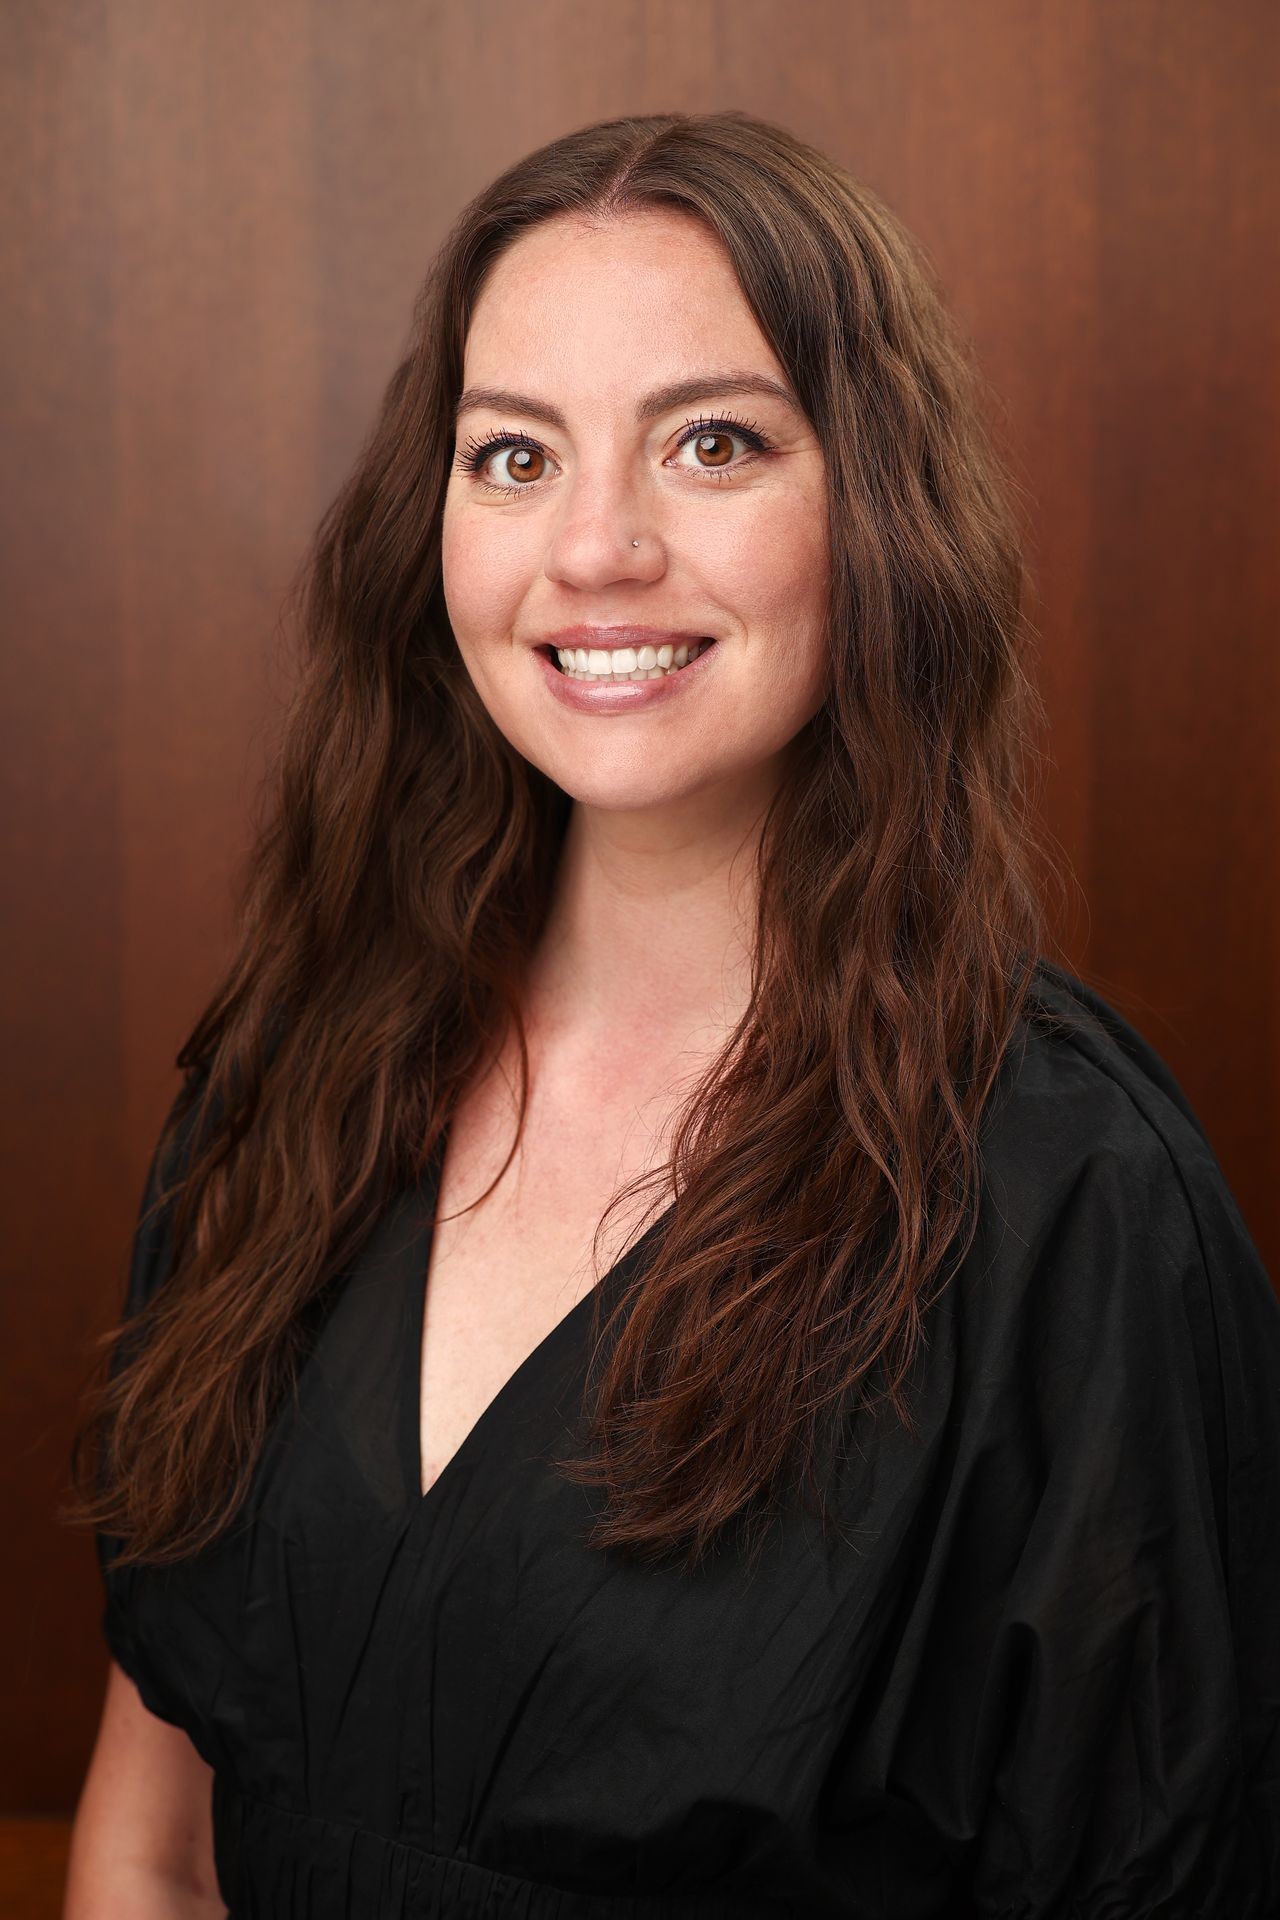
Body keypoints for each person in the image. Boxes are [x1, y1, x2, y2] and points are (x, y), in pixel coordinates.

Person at [63, 109, 1280, 1917]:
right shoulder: (287, 1076)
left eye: (712, 442)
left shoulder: (1080, 1206)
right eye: (515, 455)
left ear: (879, 505)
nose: (598, 550)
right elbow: (152, 1833)